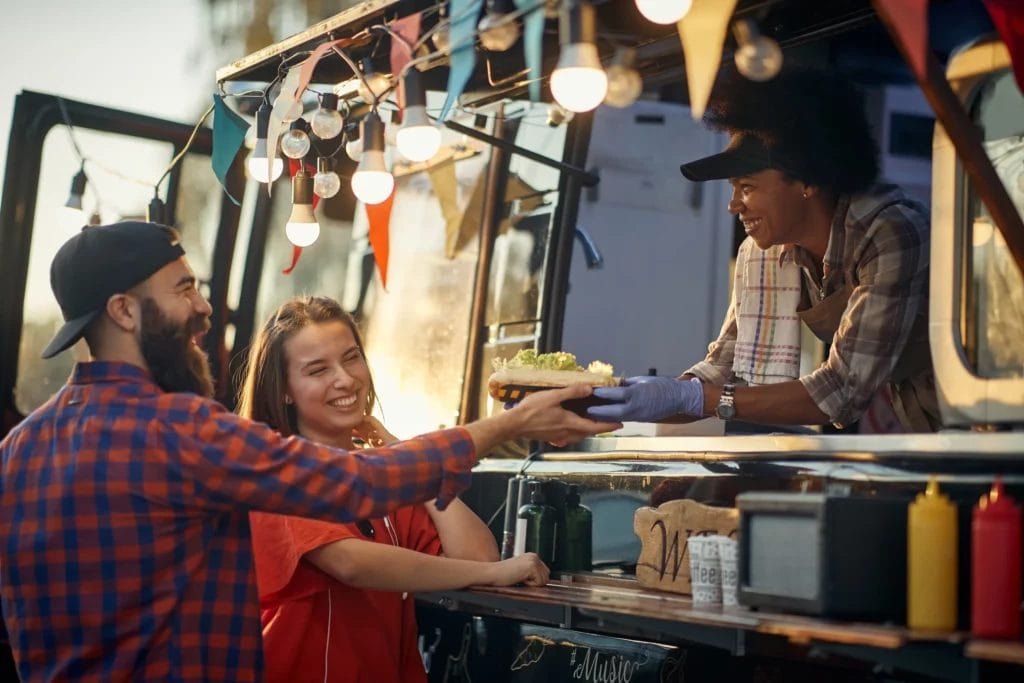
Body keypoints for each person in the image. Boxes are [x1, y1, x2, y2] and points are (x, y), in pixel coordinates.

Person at [0, 221, 619, 682]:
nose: (204, 307)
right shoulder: (179, 432)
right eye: (184, 288)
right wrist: (508, 423)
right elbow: (355, 490)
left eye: (351, 358)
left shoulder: (16, 451)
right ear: (123, 311)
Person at [589, 65, 939, 432]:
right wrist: (626, 399)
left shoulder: (889, 232)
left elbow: (841, 391)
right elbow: (725, 367)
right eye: (733, 188)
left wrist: (691, 398)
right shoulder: (764, 254)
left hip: (977, 413)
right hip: (915, 420)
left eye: (747, 187)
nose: (733, 205)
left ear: (808, 178)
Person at [237, 296, 549, 683]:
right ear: (284, 389)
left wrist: (402, 457)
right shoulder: (274, 470)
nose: (345, 379)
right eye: (318, 370)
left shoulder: (384, 481)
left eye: (351, 357)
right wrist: (497, 572)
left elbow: (477, 555)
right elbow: (350, 563)